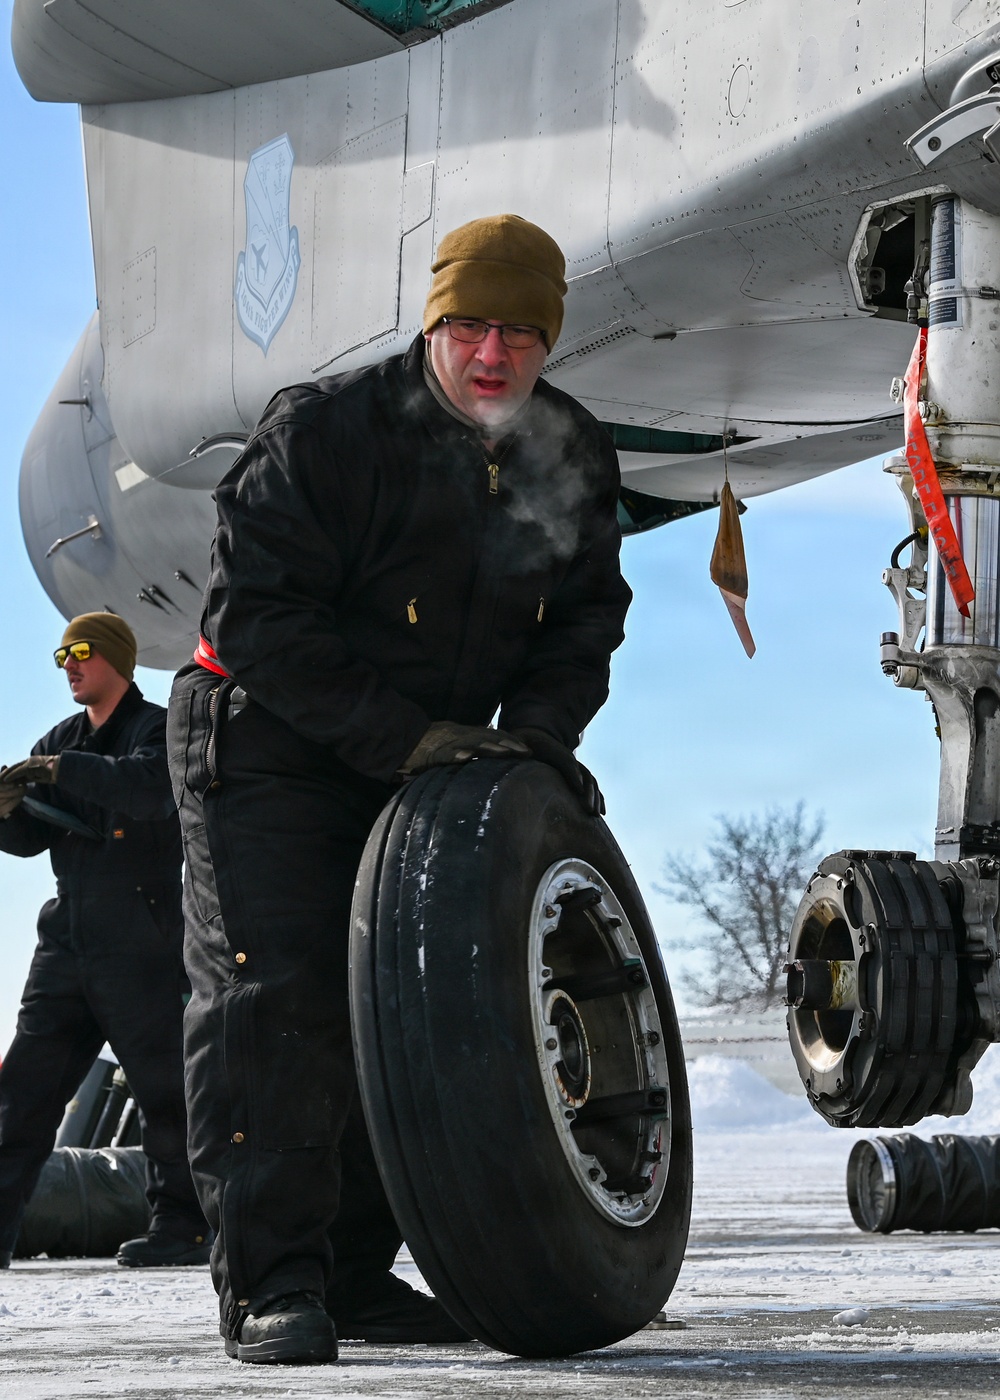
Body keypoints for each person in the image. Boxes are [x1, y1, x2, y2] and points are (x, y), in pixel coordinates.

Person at [168, 214, 633, 1364]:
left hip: (429, 756)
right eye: (470, 324)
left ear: (547, 341)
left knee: (396, 1004)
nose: (492, 354)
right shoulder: (327, 431)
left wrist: (528, 741)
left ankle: (357, 1276)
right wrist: (400, 736)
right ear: (434, 321)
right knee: (280, 1000)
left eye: (521, 332)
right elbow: (256, 614)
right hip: (267, 741)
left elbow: (584, 619)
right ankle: (271, 1282)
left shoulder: (568, 449)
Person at [0, 613, 209, 1269]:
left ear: (117, 658)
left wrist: (62, 771)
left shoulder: (156, 731)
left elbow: (150, 793)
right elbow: (31, 840)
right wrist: (6, 810)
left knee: (165, 1091)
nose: (69, 663)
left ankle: (184, 1227)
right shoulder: (60, 737)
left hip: (142, 934)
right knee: (24, 1093)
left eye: (81, 651)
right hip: (67, 940)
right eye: (61, 653)